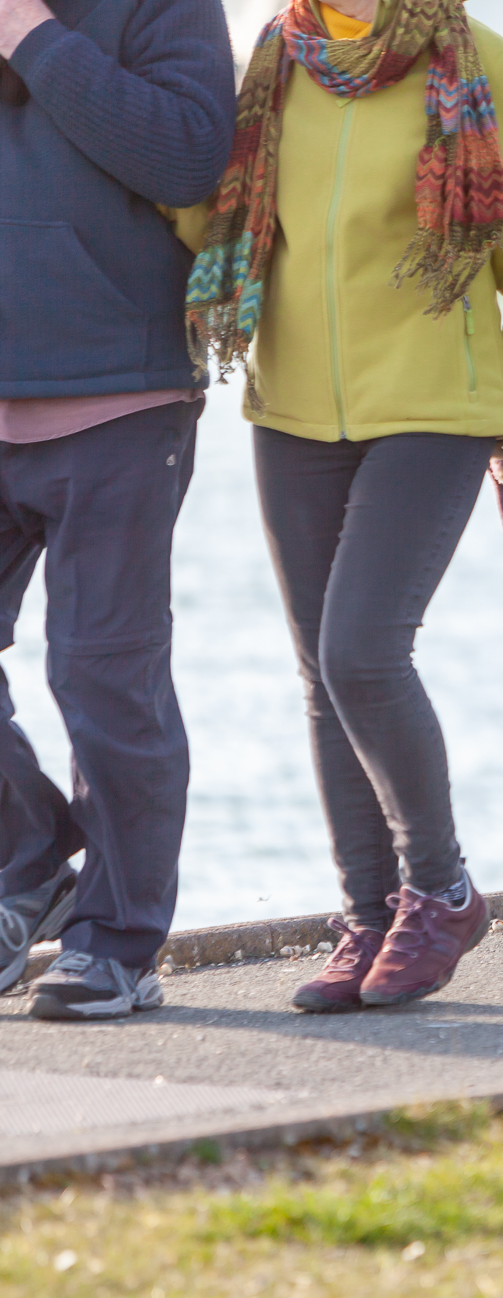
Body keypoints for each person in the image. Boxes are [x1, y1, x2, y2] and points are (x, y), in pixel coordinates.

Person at [182, 0, 503, 1012]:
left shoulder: (482, 63)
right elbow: (215, 209)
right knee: (323, 669)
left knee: (363, 650)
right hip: (290, 409)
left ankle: (441, 891)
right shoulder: (273, 64)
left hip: (434, 407)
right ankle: (367, 916)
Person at [0, 0, 234, 1019]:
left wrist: (33, 40)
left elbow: (188, 155)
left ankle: (118, 938)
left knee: (102, 673)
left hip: (120, 389)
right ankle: (29, 852)